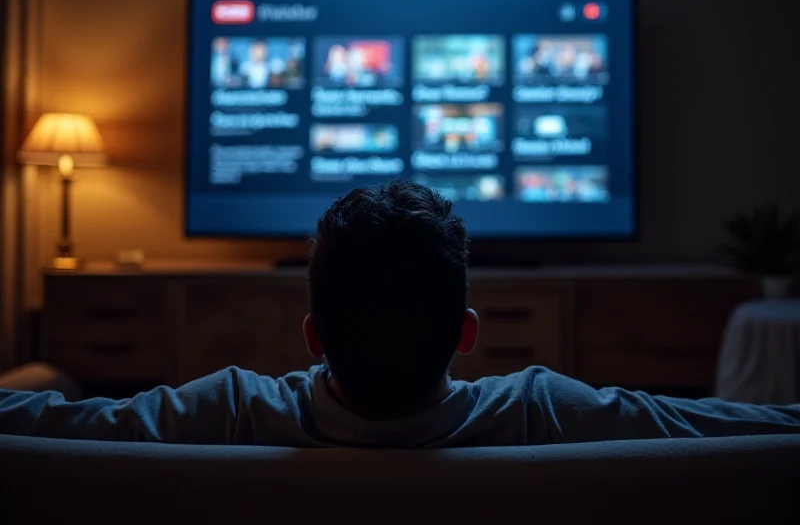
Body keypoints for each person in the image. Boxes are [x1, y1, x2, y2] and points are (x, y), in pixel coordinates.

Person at [1, 180, 800, 446]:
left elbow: (62, 426)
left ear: (312, 337)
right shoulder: (543, 412)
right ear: (467, 332)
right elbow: (714, 429)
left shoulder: (233, 410)